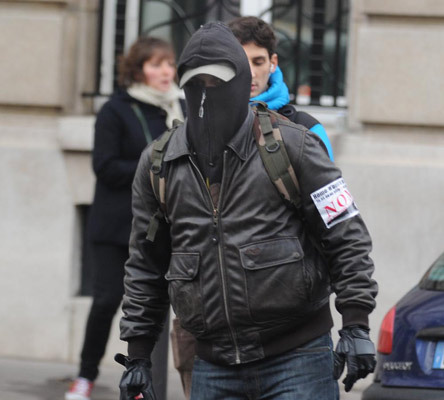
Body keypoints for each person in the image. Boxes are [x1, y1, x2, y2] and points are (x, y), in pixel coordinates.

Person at [116, 22, 377, 400]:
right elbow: (145, 263)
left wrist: (355, 323)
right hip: (213, 363)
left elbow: (346, 234)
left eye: (219, 83)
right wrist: (138, 354)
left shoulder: (294, 146)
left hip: (297, 356)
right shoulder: (159, 164)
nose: (208, 96)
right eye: (198, 84)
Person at [65, 36, 183, 400]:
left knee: (165, 302)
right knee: (106, 301)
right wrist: (154, 166)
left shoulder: (180, 107)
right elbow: (104, 166)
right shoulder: (115, 110)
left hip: (163, 226)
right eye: (155, 65)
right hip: (117, 226)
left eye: (168, 64)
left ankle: (149, 378)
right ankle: (85, 377)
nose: (165, 72)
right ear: (138, 70)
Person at [228, 15, 334, 161]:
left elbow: (328, 181)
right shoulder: (205, 122)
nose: (251, 73)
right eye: (241, 62)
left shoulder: (307, 128)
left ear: (273, 62)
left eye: (258, 62)